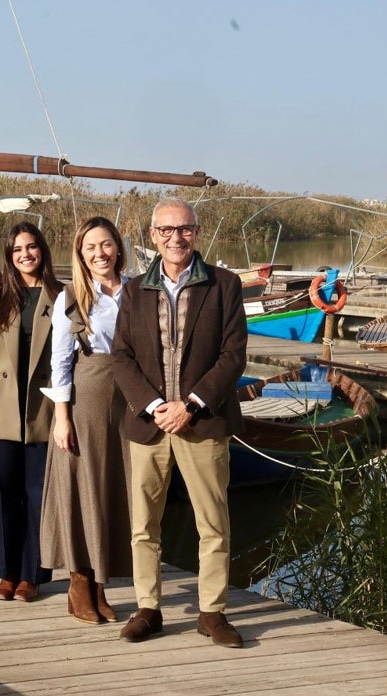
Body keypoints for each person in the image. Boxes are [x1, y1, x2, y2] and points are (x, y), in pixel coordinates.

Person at [111, 198, 248, 648]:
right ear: (152, 236)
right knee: (143, 524)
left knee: (213, 522)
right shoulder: (134, 290)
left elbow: (233, 356)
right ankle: (148, 609)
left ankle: (212, 613)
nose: (175, 238)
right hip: (148, 425)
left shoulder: (225, 285)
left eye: (184, 229)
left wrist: (190, 404)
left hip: (202, 422)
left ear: (197, 231)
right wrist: (154, 406)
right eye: (166, 231)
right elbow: (122, 357)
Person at [38, 217, 133, 624]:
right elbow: (59, 360)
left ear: (118, 247)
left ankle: (100, 584)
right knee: (84, 484)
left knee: (117, 486)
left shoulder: (137, 292)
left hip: (129, 397)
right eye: (91, 247)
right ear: (80, 253)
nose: (100, 253)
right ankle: (79, 581)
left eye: (106, 244)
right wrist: (61, 416)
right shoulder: (71, 297)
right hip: (87, 396)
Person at [0, 222, 60, 602]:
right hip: (1, 409)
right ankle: (6, 572)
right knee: (2, 493)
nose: (25, 254)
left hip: (42, 409)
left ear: (43, 251)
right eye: (18, 249)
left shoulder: (62, 297)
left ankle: (32, 574)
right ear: (9, 255)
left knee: (37, 494)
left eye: (32, 247)